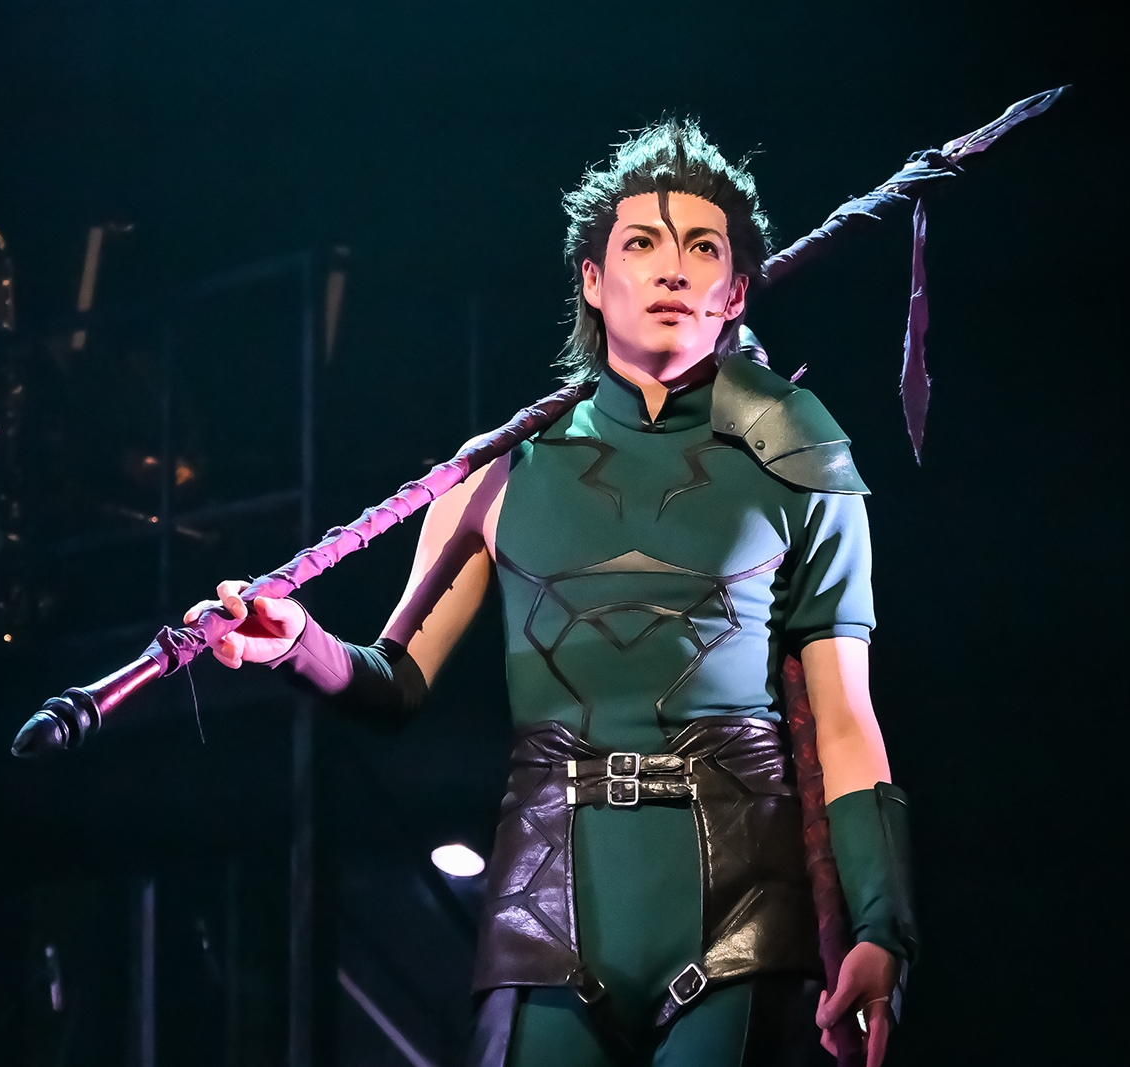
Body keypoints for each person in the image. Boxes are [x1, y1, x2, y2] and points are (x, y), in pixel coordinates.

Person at [185, 120, 918, 1067]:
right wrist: (295, 641)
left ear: (736, 291)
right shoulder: (495, 475)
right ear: (593, 279)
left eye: (703, 248)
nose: (672, 269)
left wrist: (882, 926)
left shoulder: (802, 459)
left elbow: (845, 718)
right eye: (642, 243)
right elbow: (395, 679)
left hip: (747, 902)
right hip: (545, 903)